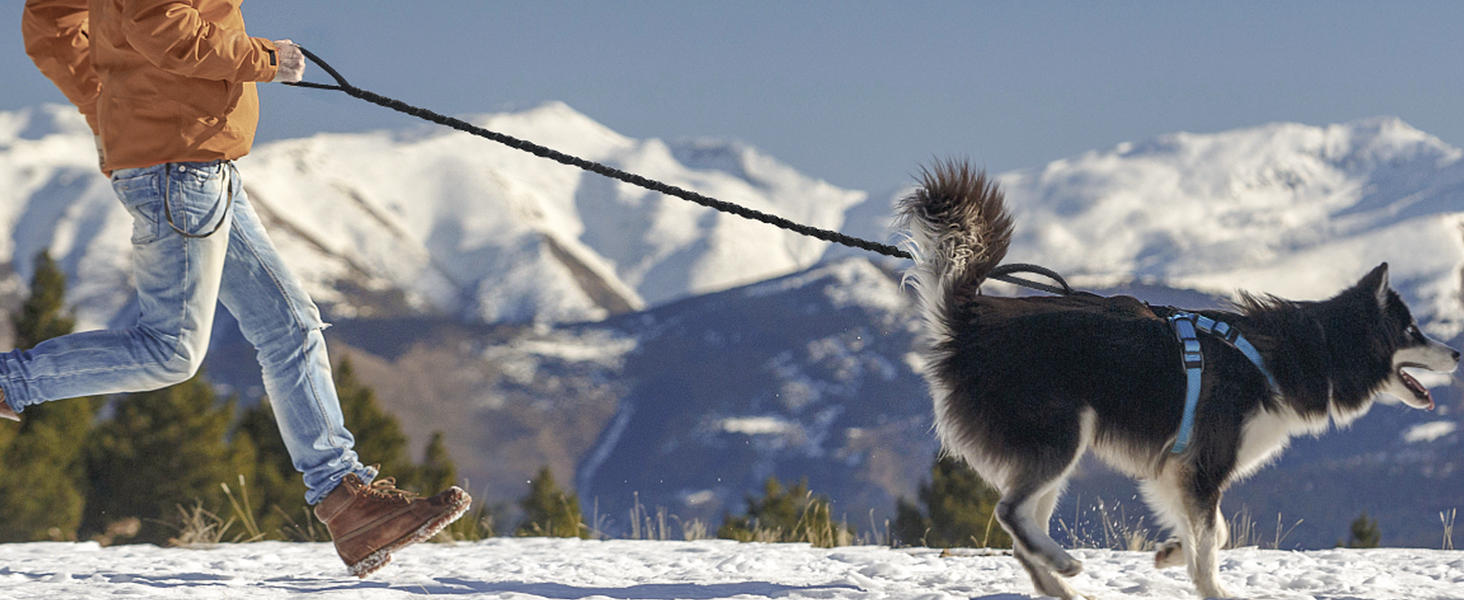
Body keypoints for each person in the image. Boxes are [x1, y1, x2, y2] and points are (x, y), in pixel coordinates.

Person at [10, 0, 469, 578]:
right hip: (177, 163)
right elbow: (162, 24)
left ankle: (347, 502)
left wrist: (107, 101)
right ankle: (8, 382)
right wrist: (264, 58)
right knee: (169, 350)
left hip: (194, 159)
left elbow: (49, 22)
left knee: (290, 327)